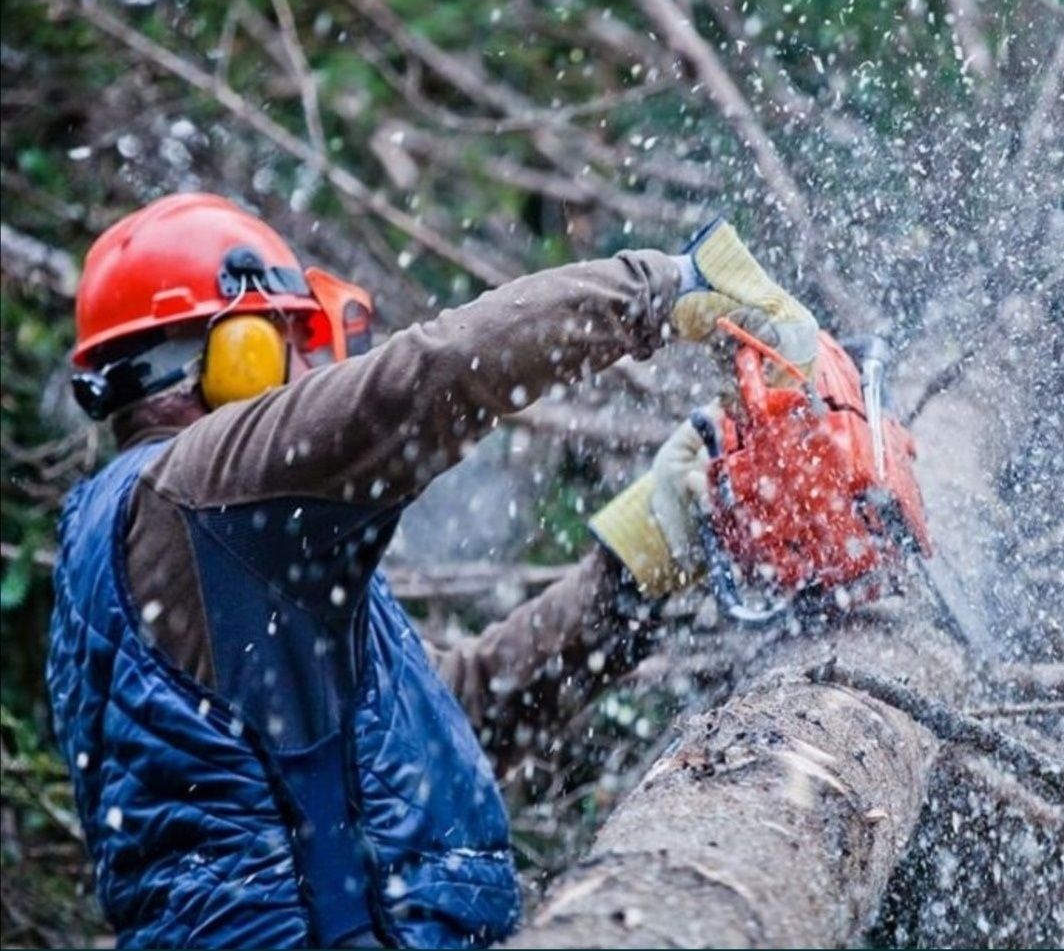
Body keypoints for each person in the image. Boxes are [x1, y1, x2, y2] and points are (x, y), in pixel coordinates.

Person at [48, 193, 817, 949]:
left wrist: (635, 566)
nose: (304, 368)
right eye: (285, 338)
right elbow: (426, 379)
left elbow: (447, 725)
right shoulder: (201, 490)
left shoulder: (204, 544)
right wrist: (665, 287)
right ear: (232, 353)